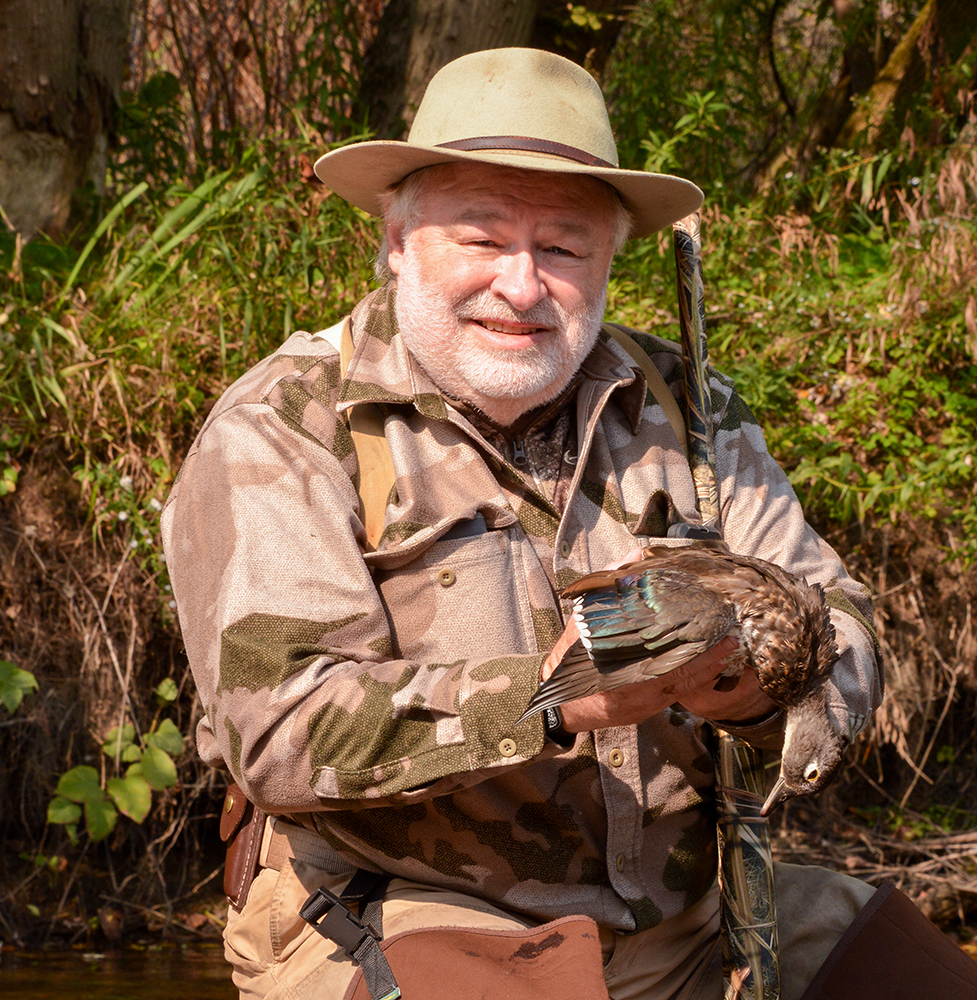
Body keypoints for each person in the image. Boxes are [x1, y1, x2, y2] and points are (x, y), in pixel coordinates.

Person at [161, 48, 977, 1000]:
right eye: (481, 238)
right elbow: (280, 730)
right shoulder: (283, 427)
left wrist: (758, 687)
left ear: (608, 261)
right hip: (403, 910)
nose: (520, 285)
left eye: (561, 247)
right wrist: (550, 704)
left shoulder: (688, 404)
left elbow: (843, 622)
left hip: (691, 921)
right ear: (396, 241)